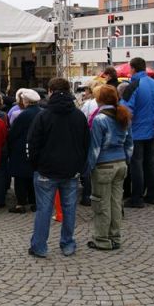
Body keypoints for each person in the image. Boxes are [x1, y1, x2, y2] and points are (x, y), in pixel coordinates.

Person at [27, 78, 89, 257]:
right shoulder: (78, 115)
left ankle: (39, 246)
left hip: (46, 170)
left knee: (44, 209)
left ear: (50, 91)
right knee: (69, 208)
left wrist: (36, 165)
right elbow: (86, 143)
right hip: (71, 170)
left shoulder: (43, 115)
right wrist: (79, 165)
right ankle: (68, 243)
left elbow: (33, 143)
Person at [86, 85, 133, 251]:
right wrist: (126, 160)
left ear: (99, 99)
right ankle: (115, 236)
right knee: (115, 203)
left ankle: (102, 239)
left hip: (104, 165)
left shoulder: (100, 119)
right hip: (120, 163)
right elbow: (129, 144)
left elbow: (95, 148)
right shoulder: (124, 115)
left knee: (101, 203)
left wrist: (89, 168)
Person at [120, 57, 154, 208]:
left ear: (133, 69)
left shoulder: (133, 85)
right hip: (151, 129)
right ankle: (152, 195)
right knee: (150, 162)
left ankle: (137, 197)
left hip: (137, 131)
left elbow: (125, 110)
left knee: (136, 164)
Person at [8, 89, 41, 214]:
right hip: (37, 149)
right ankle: (34, 202)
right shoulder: (42, 113)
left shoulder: (23, 115)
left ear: (26, 101)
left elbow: (13, 134)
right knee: (33, 176)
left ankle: (20, 203)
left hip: (21, 149)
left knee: (20, 178)